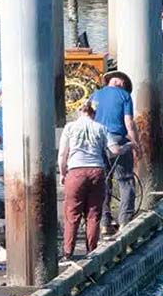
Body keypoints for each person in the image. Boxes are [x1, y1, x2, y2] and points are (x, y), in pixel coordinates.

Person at [58, 101, 118, 258]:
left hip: (75, 171)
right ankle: (91, 251)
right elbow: (114, 151)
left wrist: (63, 173)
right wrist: (128, 146)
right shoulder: (101, 128)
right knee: (93, 214)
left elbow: (63, 154)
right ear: (94, 113)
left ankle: (67, 252)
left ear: (79, 111)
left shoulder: (70, 127)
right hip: (96, 171)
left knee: (72, 213)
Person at [91, 72, 137, 234]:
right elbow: (128, 121)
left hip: (98, 141)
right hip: (118, 140)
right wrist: (134, 142)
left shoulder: (95, 95)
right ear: (122, 82)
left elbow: (89, 117)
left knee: (104, 182)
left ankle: (104, 223)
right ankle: (125, 220)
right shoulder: (125, 96)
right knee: (125, 180)